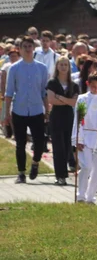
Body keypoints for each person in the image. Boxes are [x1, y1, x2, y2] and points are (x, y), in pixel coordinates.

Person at [4, 37, 49, 183]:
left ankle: (35, 163)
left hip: (36, 110)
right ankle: (21, 172)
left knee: (40, 141)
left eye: (30, 46)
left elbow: (44, 91)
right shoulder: (14, 68)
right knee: (20, 143)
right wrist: (6, 114)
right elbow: (9, 92)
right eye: (25, 46)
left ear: (33, 48)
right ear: (20, 49)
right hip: (19, 110)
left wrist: (47, 110)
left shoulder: (42, 68)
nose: (28, 49)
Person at [73, 71, 97, 203]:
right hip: (86, 135)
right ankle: (80, 195)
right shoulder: (82, 98)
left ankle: (90, 196)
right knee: (86, 166)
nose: (96, 89)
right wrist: (78, 138)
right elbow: (78, 119)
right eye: (93, 86)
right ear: (88, 84)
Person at [46, 56, 78, 186]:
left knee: (67, 147)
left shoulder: (74, 85)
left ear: (69, 67)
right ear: (57, 66)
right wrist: (66, 100)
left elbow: (74, 102)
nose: (64, 67)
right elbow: (51, 100)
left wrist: (60, 97)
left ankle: (64, 172)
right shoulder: (52, 83)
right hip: (56, 118)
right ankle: (60, 175)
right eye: (61, 65)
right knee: (58, 147)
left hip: (69, 118)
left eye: (66, 65)